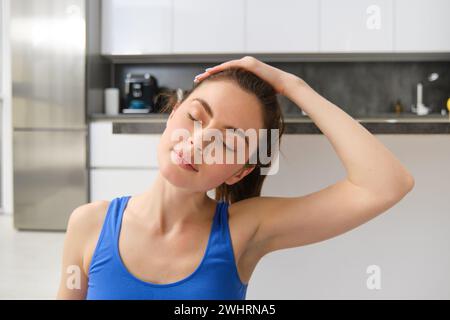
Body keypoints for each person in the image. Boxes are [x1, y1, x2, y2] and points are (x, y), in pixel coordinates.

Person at [56, 56, 414, 300]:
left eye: (226, 142)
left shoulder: (246, 230)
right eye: (195, 117)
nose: (197, 143)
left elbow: (385, 183)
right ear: (172, 114)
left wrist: (294, 86)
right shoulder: (88, 224)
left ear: (241, 169)